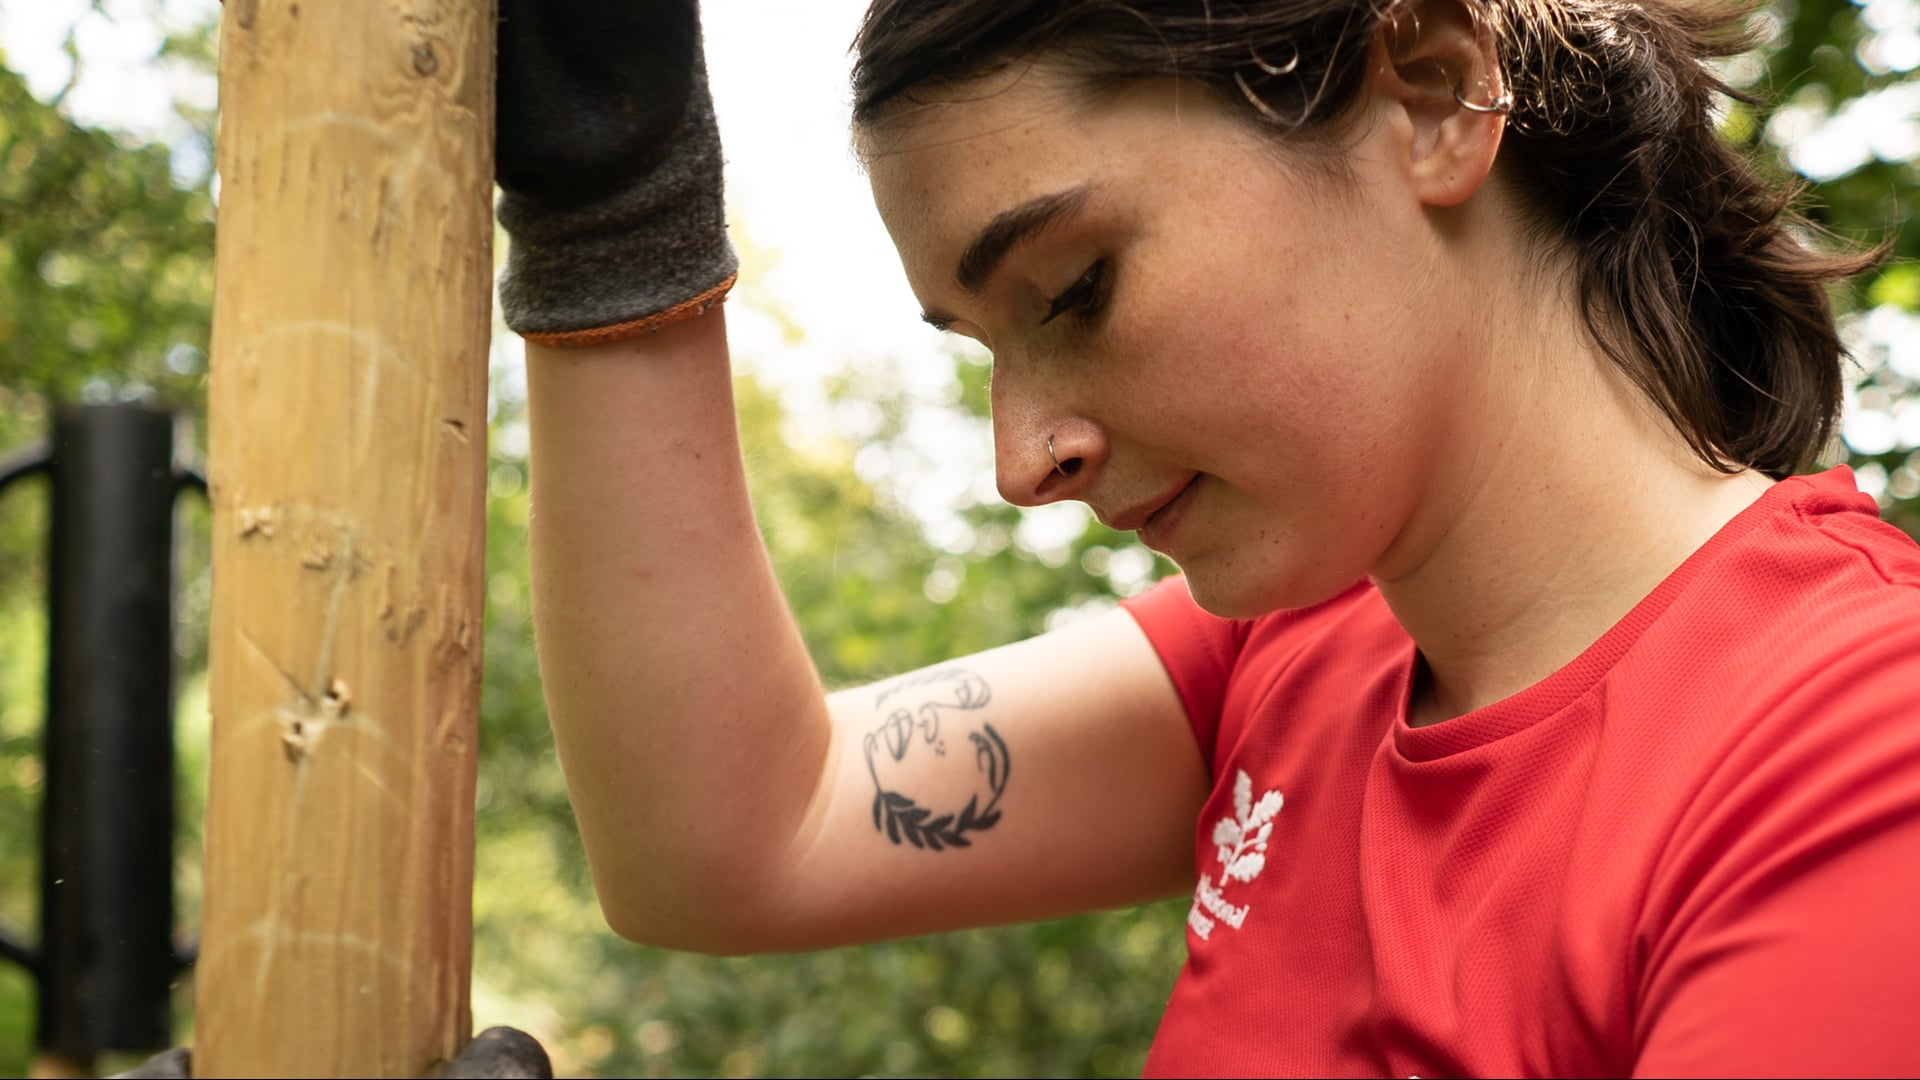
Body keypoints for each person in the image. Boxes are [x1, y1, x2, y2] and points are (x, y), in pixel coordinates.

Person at [497, 0, 1920, 1075]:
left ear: (1429, 95)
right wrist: (616, 225)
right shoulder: (1307, 652)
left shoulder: (1853, 754)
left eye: (1077, 287)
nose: (1023, 459)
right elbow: (741, 836)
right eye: (981, 349)